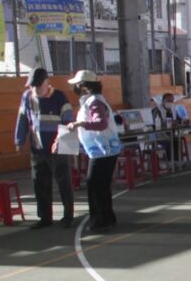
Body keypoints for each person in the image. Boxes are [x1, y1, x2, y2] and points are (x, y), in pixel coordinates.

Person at [14, 67, 75, 229]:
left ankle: (68, 216)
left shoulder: (59, 97)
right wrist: (19, 140)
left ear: (47, 82)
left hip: (57, 149)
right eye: (32, 86)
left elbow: (68, 121)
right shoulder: (27, 97)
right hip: (37, 149)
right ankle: (45, 217)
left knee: (63, 182)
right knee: (39, 183)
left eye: (38, 85)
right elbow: (22, 119)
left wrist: (61, 141)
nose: (34, 89)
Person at [66, 70, 122, 232]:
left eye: (77, 84)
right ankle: (107, 218)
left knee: (94, 184)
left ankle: (99, 220)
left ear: (83, 86)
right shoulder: (95, 100)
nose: (75, 87)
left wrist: (80, 124)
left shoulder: (94, 102)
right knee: (102, 185)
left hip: (102, 150)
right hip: (105, 149)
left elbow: (101, 123)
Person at [151, 92, 184, 161]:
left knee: (177, 141)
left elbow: (178, 119)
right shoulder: (157, 110)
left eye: (171, 101)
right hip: (159, 135)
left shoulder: (173, 109)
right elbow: (156, 123)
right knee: (169, 142)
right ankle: (170, 162)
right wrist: (169, 123)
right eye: (168, 101)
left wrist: (182, 121)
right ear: (163, 101)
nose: (170, 102)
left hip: (171, 134)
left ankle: (178, 162)